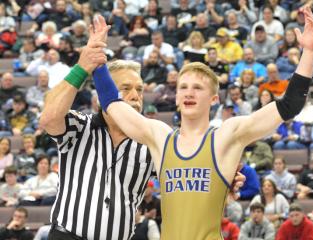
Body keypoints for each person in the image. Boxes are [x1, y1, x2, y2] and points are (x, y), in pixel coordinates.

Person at [92, 6, 313, 239]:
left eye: (198, 87)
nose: (189, 93)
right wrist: (97, 58)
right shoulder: (159, 136)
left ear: (214, 98)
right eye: (183, 88)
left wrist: (309, 52)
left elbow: (289, 105)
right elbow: (112, 103)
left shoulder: (227, 135)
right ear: (176, 97)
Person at [39, 15, 247, 239]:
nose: (135, 96)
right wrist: (82, 67)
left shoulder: (152, 141)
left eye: (139, 89)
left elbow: (189, 173)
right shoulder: (80, 126)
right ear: (103, 94)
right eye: (125, 88)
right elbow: (49, 118)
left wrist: (223, 180)